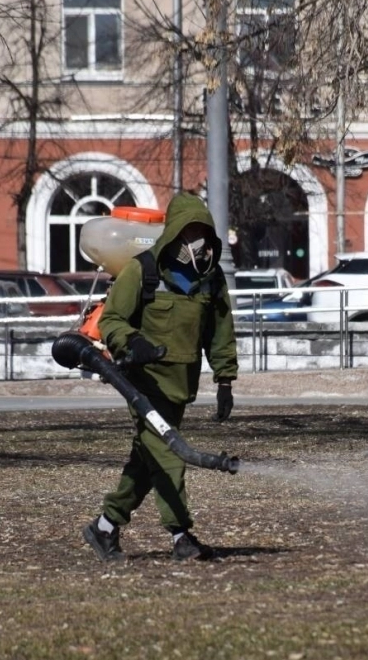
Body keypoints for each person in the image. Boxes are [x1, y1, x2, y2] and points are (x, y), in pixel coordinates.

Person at [81, 193, 238, 562]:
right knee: (170, 455)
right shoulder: (143, 270)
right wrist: (134, 343)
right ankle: (181, 536)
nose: (198, 241)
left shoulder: (210, 280)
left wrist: (225, 380)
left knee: (146, 460)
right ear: (175, 234)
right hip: (143, 385)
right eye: (191, 231)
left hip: (181, 386)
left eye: (204, 232)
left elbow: (221, 331)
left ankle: (104, 527)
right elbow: (112, 321)